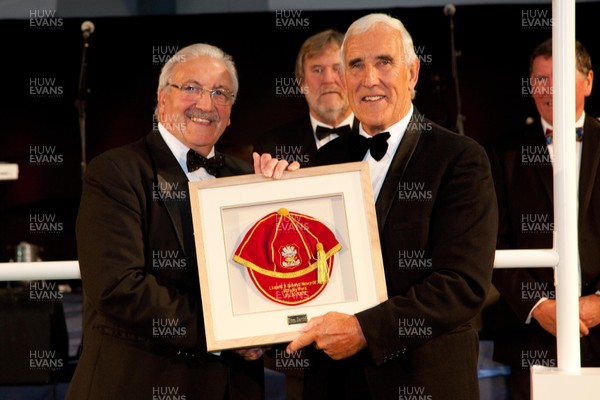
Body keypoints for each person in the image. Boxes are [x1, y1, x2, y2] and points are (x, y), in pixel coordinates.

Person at [66, 43, 299, 400]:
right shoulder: (115, 172)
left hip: (234, 388)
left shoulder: (248, 178)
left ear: (231, 112)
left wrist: (288, 200)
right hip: (138, 385)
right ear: (162, 100)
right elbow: (119, 287)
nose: (206, 104)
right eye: (191, 88)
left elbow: (274, 280)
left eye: (220, 93)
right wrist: (226, 332)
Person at [286, 13, 498, 400]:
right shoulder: (321, 161)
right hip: (335, 384)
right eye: (356, 65)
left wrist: (365, 330)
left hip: (424, 380)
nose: (369, 79)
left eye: (384, 62)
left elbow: (461, 284)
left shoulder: (460, 158)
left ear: (412, 73)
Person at [487, 38, 600, 400]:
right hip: (533, 338)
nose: (549, 89)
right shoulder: (501, 155)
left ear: (588, 81)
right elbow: (492, 243)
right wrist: (539, 307)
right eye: (540, 79)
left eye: (559, 77)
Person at [253, 29, 358, 167]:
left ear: (354, 77)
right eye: (317, 70)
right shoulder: (270, 149)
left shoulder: (380, 137)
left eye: (337, 68)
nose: (328, 79)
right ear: (301, 84)